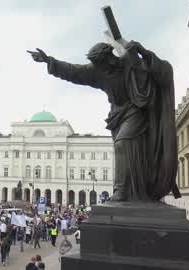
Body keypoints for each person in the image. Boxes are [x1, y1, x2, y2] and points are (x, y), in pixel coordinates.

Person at [28, 41, 180, 202]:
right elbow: (73, 71)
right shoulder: (97, 71)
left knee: (123, 143)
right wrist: (49, 60)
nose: (97, 67)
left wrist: (143, 52)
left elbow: (163, 72)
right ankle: (135, 190)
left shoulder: (129, 62)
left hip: (136, 110)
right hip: (118, 115)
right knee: (129, 149)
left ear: (109, 58)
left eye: (100, 63)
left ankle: (122, 190)